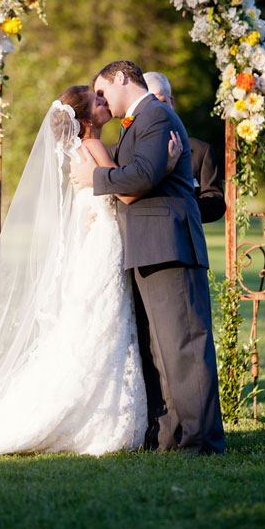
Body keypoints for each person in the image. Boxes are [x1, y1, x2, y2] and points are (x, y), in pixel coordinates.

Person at [0, 86, 177, 460]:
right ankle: (99, 417)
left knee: (93, 327)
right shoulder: (96, 148)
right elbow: (130, 192)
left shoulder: (76, 154)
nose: (106, 102)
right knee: (105, 325)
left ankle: (89, 410)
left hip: (93, 245)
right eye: (99, 101)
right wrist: (166, 165)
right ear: (86, 120)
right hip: (104, 245)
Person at [72, 60, 225, 454]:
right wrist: (164, 168)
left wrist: (97, 179)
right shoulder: (138, 123)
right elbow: (145, 173)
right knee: (163, 350)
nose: (101, 100)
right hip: (148, 246)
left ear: (122, 78)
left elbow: (139, 177)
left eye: (103, 90)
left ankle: (202, 440)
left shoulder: (157, 115)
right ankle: (172, 437)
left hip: (170, 245)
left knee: (186, 347)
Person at [143, 71, 226, 223]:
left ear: (172, 103)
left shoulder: (201, 151)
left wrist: (182, 208)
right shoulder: (126, 151)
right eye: (149, 103)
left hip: (185, 240)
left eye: (162, 102)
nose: (156, 109)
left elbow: (216, 203)